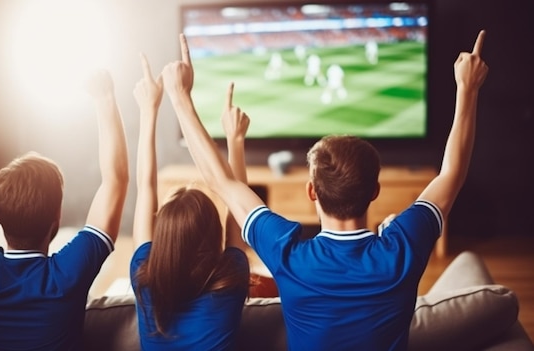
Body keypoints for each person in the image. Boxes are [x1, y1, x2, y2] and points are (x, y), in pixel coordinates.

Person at [161, 30, 488, 350]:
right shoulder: (403, 246)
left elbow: (222, 181)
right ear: (375, 190)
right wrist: (467, 90)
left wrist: (179, 96)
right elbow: (452, 174)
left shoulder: (287, 254)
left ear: (311, 192)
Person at [0, 32, 129, 350]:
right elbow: (116, 181)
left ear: (0, 214)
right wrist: (104, 98)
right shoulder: (66, 276)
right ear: (56, 219)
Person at [130, 53, 250, 350]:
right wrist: (234, 140)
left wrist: (148, 110)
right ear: (214, 236)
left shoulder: (143, 277)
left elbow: (145, 187)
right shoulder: (231, 280)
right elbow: (235, 197)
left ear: (163, 235)